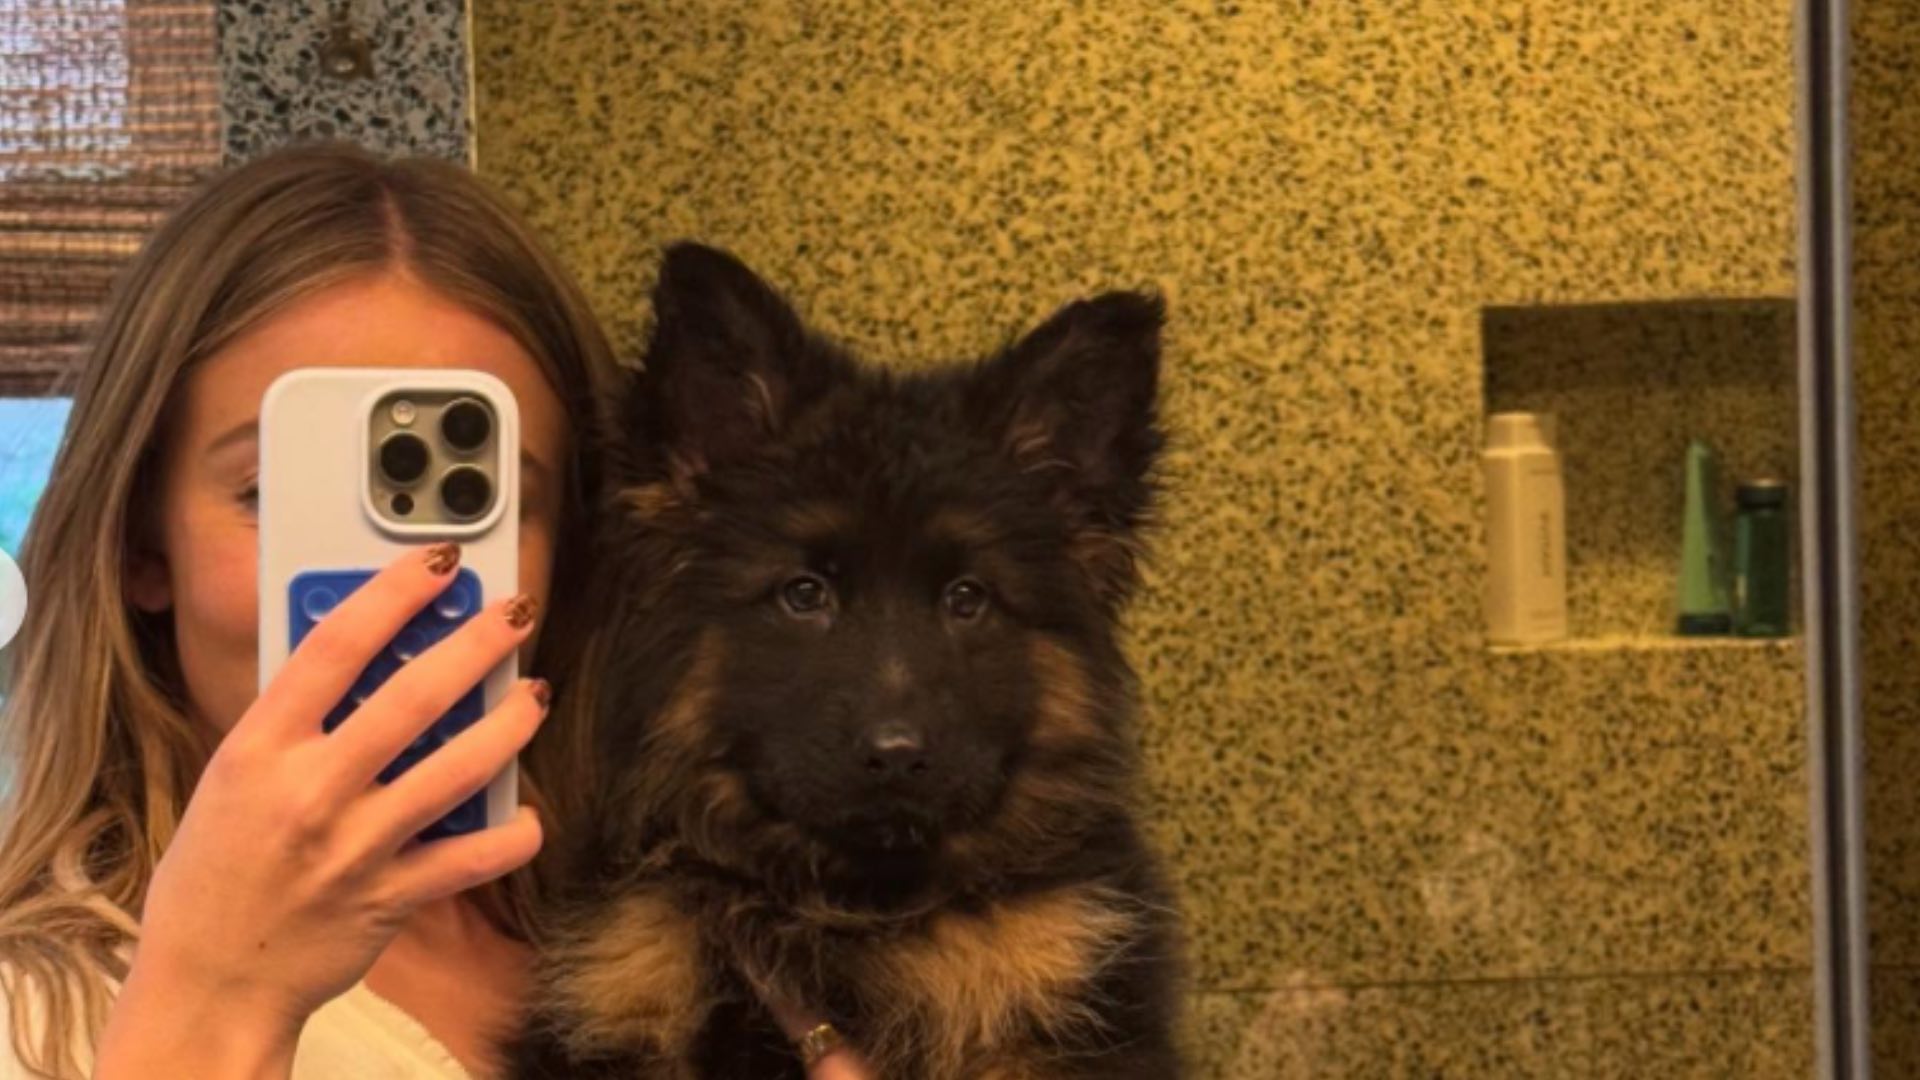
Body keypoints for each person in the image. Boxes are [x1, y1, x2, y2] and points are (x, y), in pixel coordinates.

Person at [0, 143, 869, 1079]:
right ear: (142, 548)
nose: (392, 584)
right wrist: (218, 997)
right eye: (279, 493)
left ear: (569, 553)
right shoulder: (36, 1014)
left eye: (473, 503)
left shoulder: (714, 948)